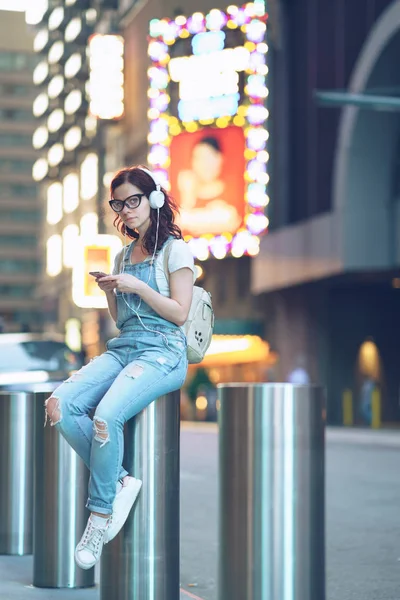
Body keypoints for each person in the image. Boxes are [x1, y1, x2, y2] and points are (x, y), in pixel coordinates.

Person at [44, 166, 195, 570]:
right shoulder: (123, 255)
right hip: (124, 348)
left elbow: (180, 314)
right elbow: (122, 320)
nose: (126, 210)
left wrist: (139, 286)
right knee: (59, 404)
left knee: (107, 416)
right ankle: (122, 480)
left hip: (163, 352)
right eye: (119, 203)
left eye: (133, 200)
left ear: (154, 200)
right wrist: (111, 291)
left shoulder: (176, 251)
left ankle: (99, 516)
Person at [176, 135, 241, 235]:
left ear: (220, 158)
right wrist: (187, 197)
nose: (203, 164)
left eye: (208, 157)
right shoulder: (187, 194)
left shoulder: (235, 192)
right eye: (198, 158)